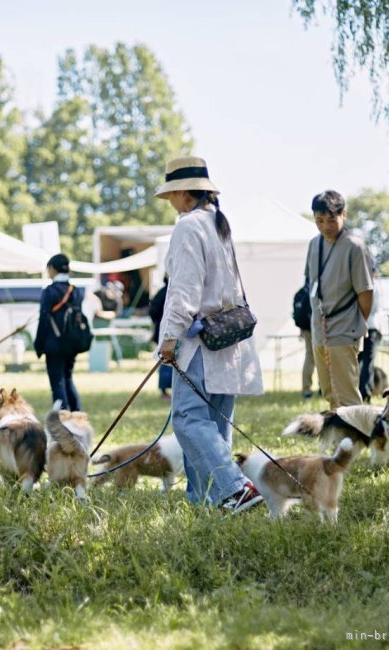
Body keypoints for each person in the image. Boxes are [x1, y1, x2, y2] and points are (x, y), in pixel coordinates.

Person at [155, 156, 264, 514]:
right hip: (229, 339)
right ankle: (203, 500)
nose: (170, 201)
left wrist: (168, 338)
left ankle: (233, 489)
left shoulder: (188, 227)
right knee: (215, 422)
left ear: (184, 192)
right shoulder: (218, 225)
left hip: (200, 340)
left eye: (171, 194)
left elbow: (184, 289)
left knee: (188, 418)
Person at [305, 190, 373, 410]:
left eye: (331, 219)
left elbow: (365, 293)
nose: (326, 226)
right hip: (319, 328)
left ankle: (356, 439)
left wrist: (354, 323)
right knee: (329, 392)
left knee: (347, 394)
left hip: (344, 328)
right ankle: (340, 441)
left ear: (344, 214)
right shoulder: (314, 244)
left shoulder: (354, 246)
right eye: (319, 220)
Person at [34, 253, 83, 409]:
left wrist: (39, 345)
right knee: (67, 379)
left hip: (54, 344)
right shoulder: (75, 291)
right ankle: (77, 415)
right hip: (72, 343)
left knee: (57, 383)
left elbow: (43, 320)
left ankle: (63, 419)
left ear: (52, 269)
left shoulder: (49, 292)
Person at [359, 259, 382, 403]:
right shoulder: (372, 286)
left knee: (361, 363)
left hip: (363, 327)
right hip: (370, 327)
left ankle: (363, 393)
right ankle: (365, 393)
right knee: (367, 363)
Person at [148, 275, 172, 399]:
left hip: (166, 331)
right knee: (165, 362)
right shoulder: (165, 292)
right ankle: (163, 390)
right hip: (164, 333)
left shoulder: (164, 292)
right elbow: (153, 311)